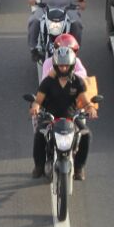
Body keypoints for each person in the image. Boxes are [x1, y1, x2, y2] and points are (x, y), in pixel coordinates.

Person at [30, 43, 98, 180]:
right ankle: (39, 166)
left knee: (86, 135)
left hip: (71, 117)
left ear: (72, 65)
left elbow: (84, 100)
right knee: (39, 135)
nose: (63, 68)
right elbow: (38, 100)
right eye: (60, 65)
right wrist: (36, 107)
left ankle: (79, 168)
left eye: (66, 65)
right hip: (50, 117)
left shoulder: (77, 82)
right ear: (55, 65)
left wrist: (90, 107)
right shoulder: (48, 82)